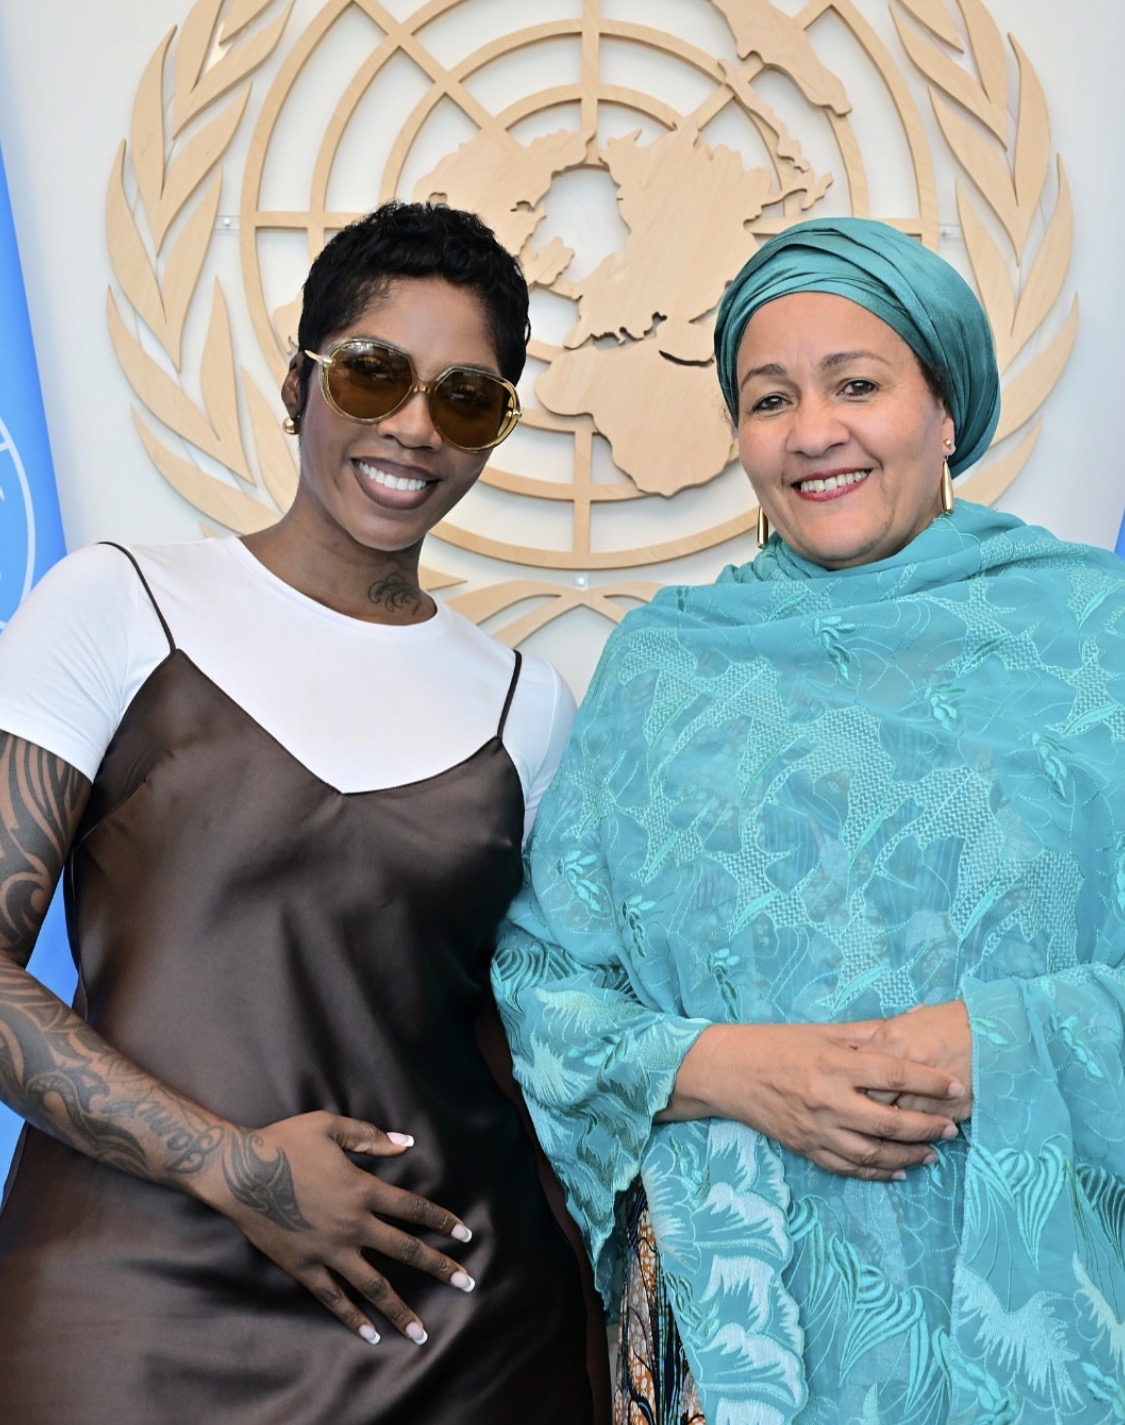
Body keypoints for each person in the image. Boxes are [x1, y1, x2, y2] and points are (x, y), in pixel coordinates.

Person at [491, 215, 1125, 1424]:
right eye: (769, 398)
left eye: (858, 385)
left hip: (1056, 1326)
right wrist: (726, 1066)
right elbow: (542, 982)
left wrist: (996, 1043)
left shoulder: (1098, 643)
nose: (813, 432)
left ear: (948, 411)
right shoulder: (667, 670)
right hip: (745, 1347)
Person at [0, 200, 609, 1423]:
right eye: (376, 374)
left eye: (468, 398)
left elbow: (537, 1039)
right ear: (300, 384)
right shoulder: (120, 606)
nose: (415, 429)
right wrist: (243, 1173)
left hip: (456, 1337)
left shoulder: (523, 706)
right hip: (131, 1315)